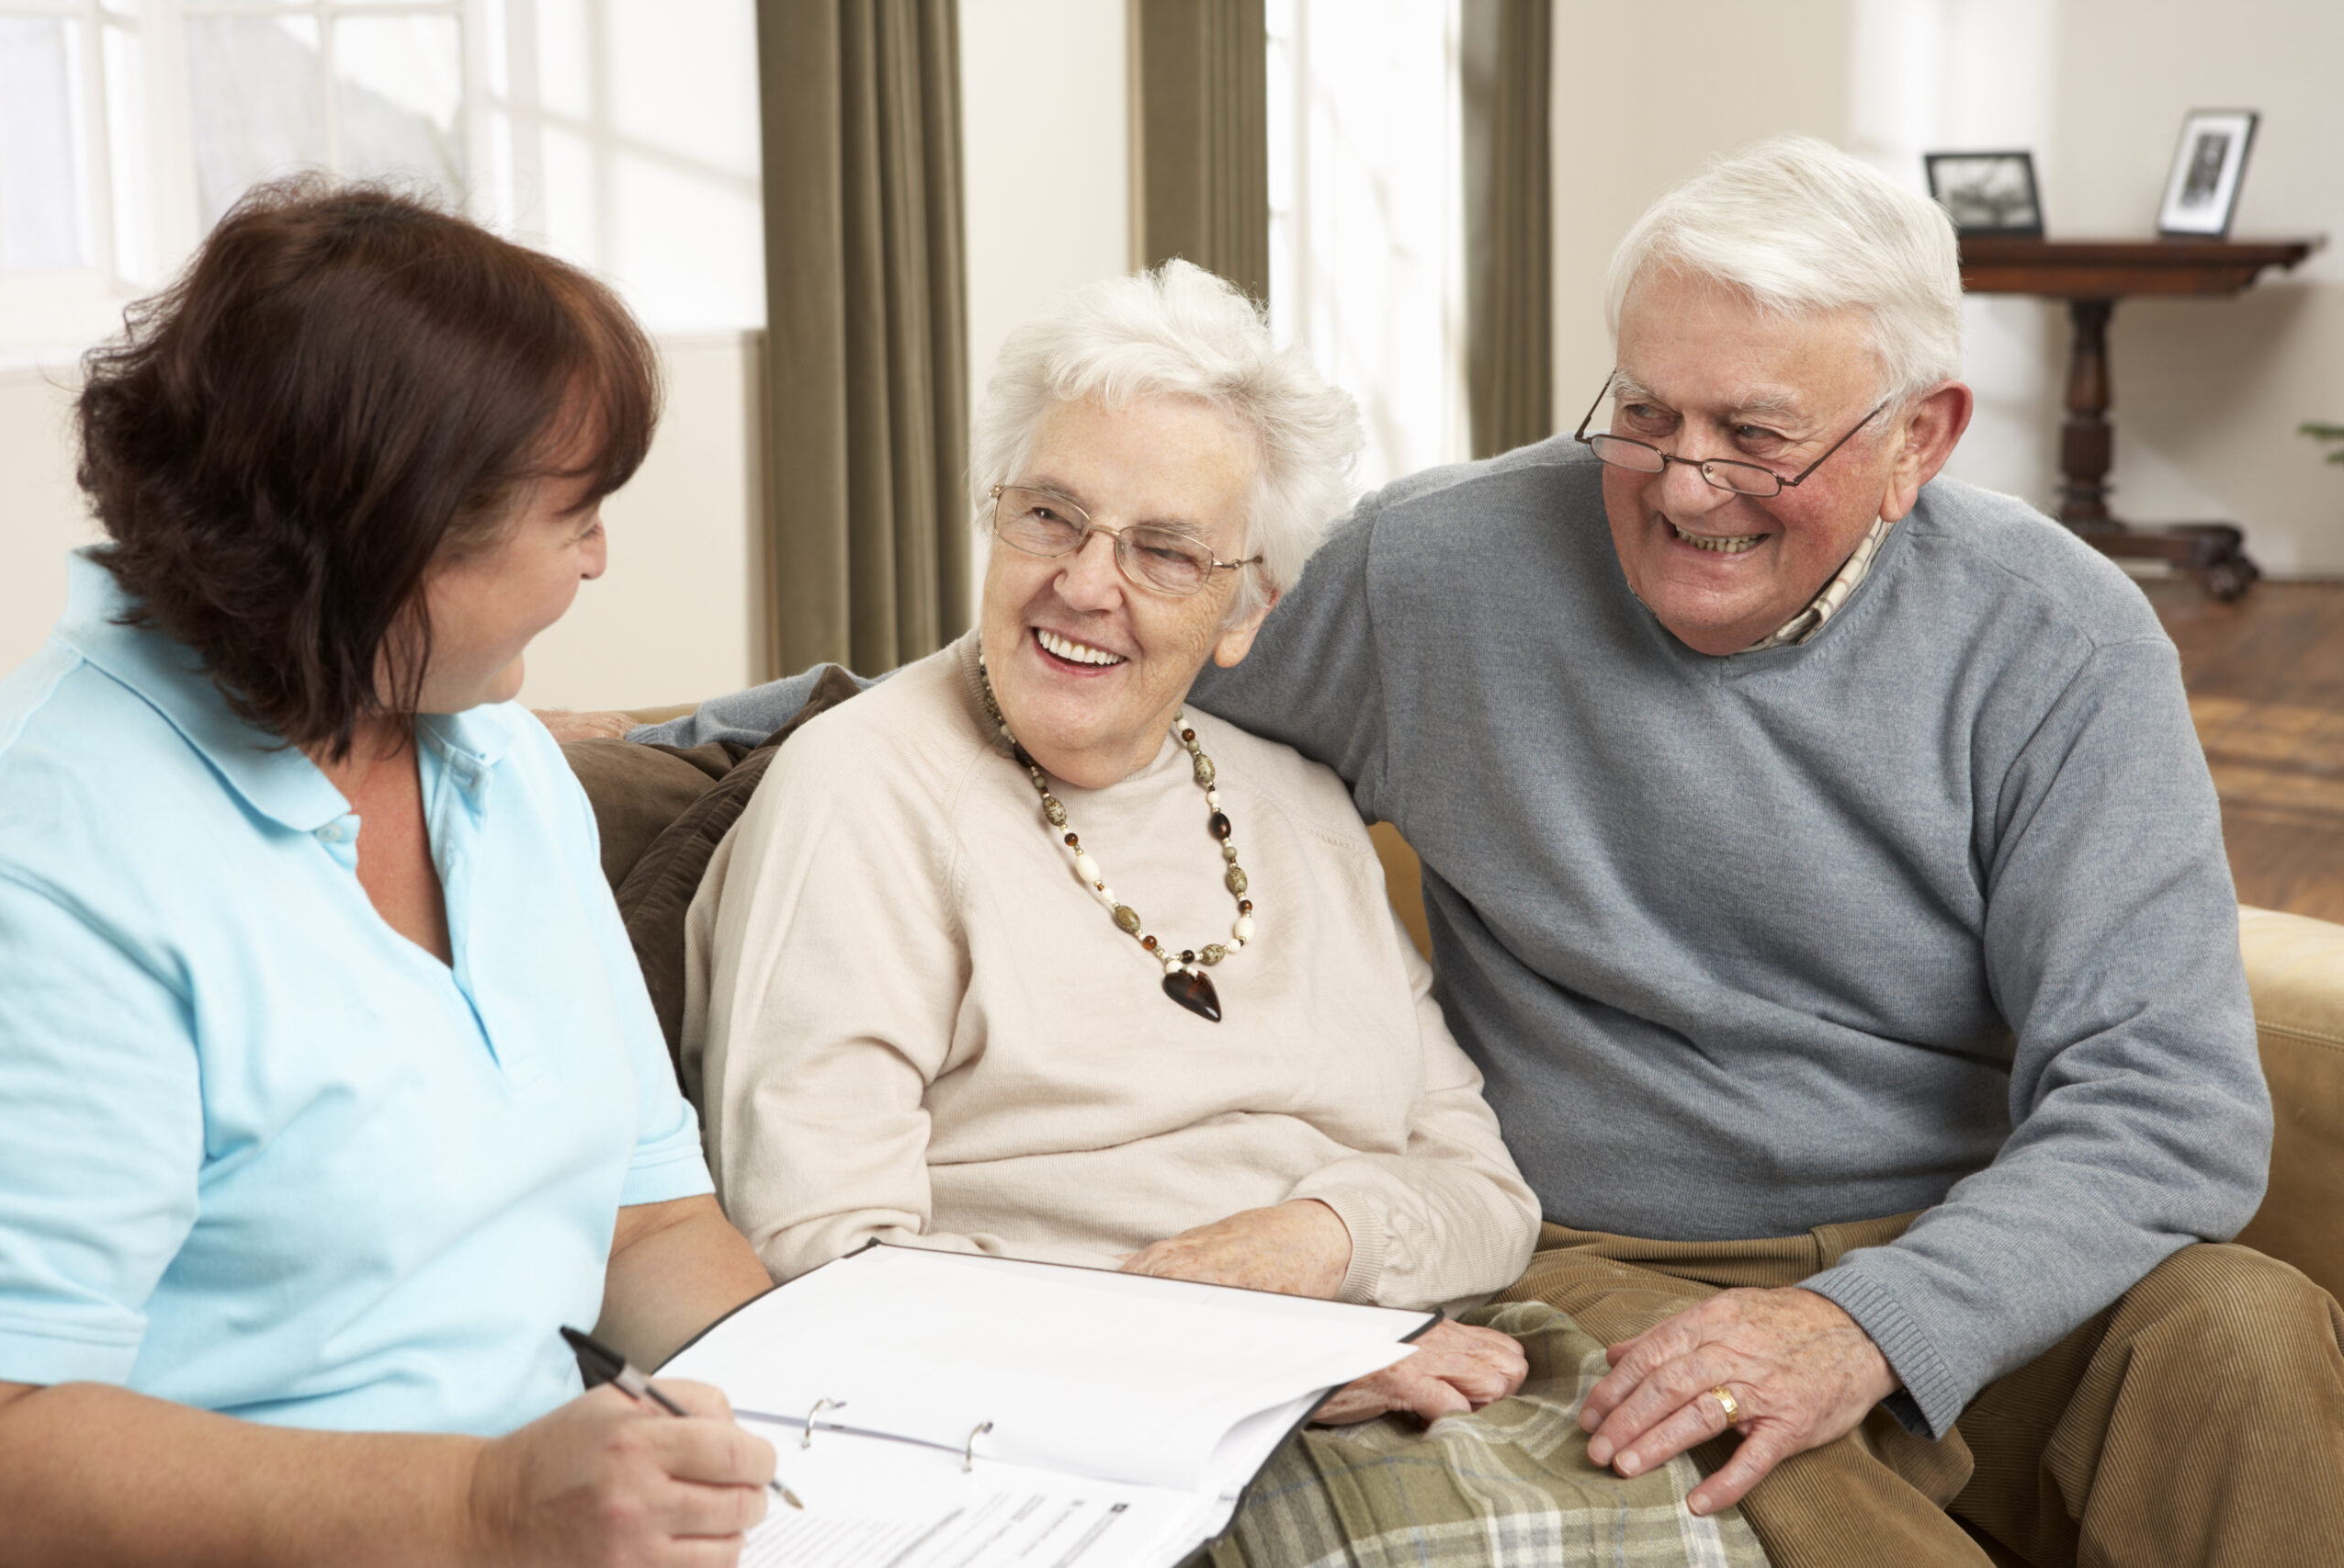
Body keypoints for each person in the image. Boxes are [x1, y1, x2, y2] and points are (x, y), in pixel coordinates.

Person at [633, 137, 2344, 1567]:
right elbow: (1118, 643)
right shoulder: (1443, 572)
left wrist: (1871, 1326)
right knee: (1713, 1433)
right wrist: (664, 733)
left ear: (1923, 437)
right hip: (1610, 1251)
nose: (1683, 486)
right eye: (1645, 412)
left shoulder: (2060, 640)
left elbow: (2171, 1109)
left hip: (1972, 1228)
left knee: (2250, 1345)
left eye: (1760, 436)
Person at [684, 263, 1771, 1567]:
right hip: (1057, 1429)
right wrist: (1231, 1361)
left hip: (1381, 1353)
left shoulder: (1301, 809)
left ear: (1248, 608)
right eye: (1049, 518)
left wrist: (1318, 1248)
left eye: (1163, 552)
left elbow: (1486, 1193)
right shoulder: (861, 794)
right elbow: (824, 1263)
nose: (1087, 586)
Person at [0, 184, 782, 1567]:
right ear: (389, 540)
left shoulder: (496, 766)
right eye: (573, 515)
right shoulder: (51, 860)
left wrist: (833, 1423)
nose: (600, 557)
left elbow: (647, 1222)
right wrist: (478, 1513)